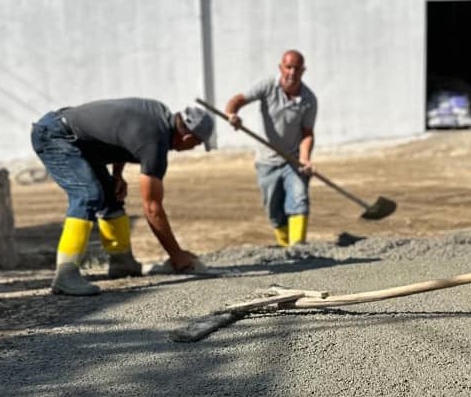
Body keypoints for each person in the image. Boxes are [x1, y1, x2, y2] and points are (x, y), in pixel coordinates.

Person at [30, 98, 215, 296]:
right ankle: (65, 275)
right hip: (55, 135)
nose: (193, 148)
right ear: (187, 139)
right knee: (87, 195)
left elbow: (121, 137)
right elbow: (152, 208)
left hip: (75, 138)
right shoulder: (155, 141)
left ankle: (122, 262)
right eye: (196, 144)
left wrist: (117, 175)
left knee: (111, 195)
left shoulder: (157, 115)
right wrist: (177, 255)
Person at [223, 50, 318, 247]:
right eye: (288, 67)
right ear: (280, 67)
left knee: (299, 199)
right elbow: (238, 100)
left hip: (293, 160)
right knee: (274, 211)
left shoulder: (309, 99)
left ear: (303, 70)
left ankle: (297, 248)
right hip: (267, 161)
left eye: (297, 68)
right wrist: (232, 114)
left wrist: (305, 158)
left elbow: (307, 133)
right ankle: (285, 247)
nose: (292, 72)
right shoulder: (267, 86)